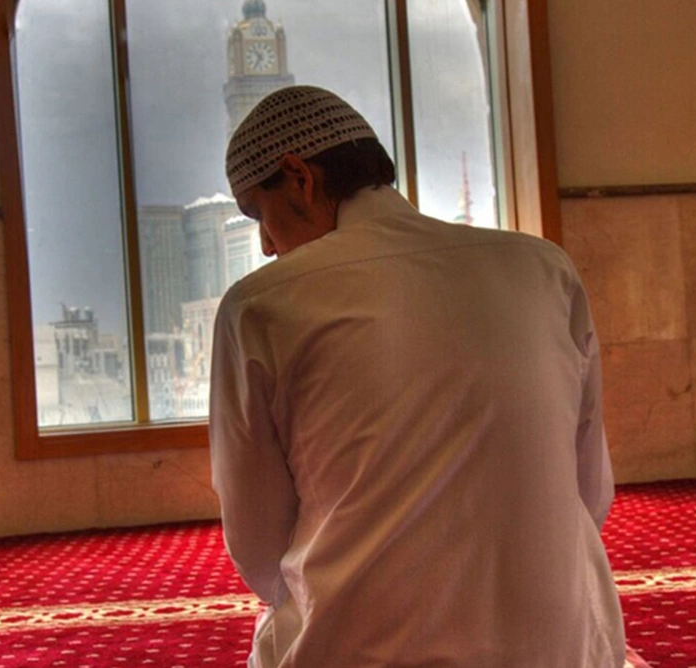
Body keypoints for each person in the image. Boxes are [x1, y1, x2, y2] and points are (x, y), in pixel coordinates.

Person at [209, 85, 627, 667]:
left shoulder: (259, 305)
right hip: (561, 650)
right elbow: (588, 494)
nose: (264, 243)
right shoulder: (542, 267)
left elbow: (257, 546)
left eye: (258, 213)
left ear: (299, 177)